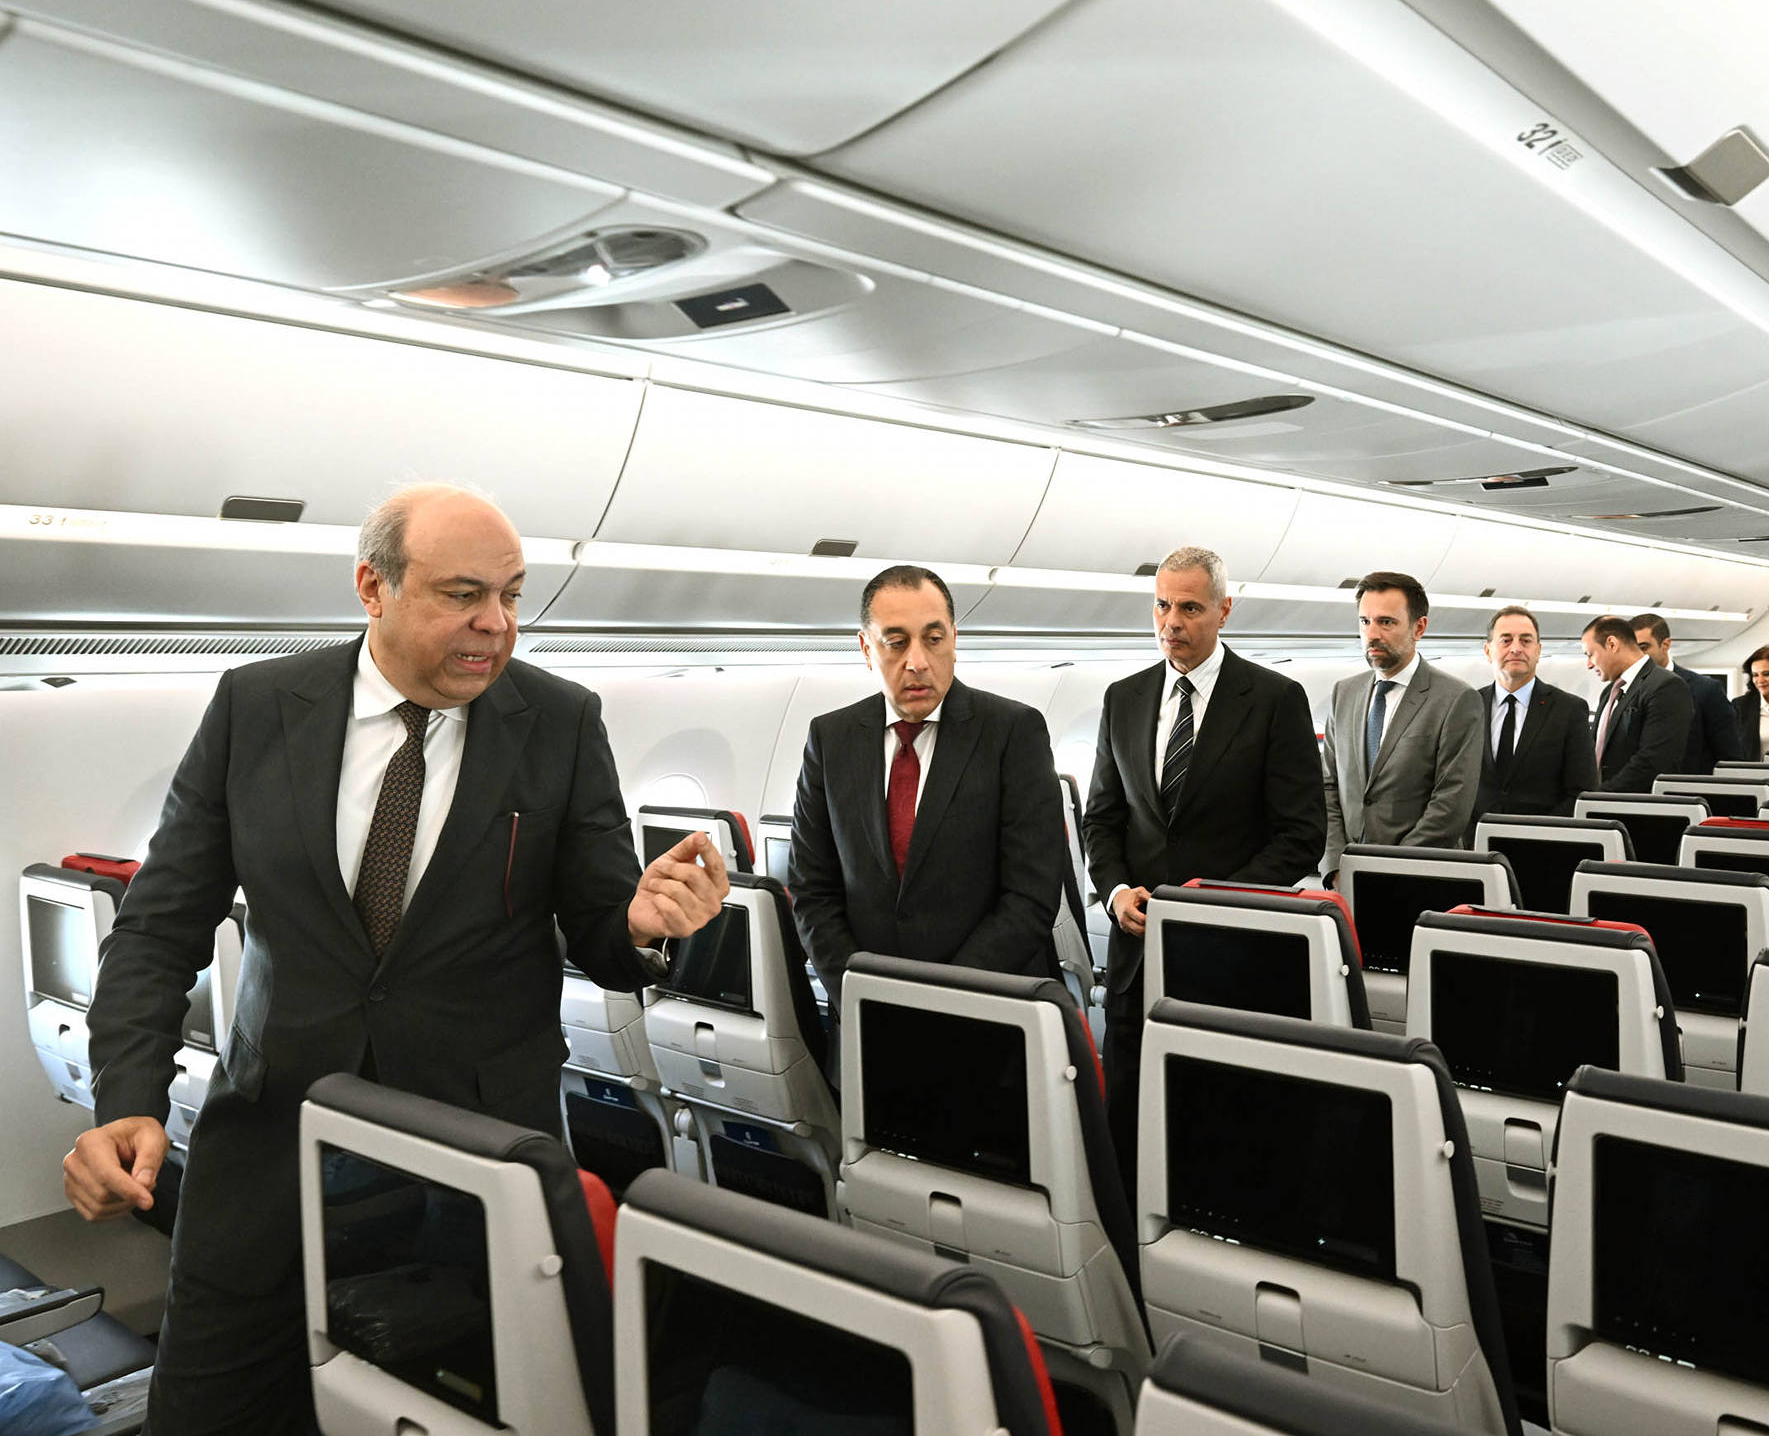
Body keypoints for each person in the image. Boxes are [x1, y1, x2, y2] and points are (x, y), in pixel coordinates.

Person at [66, 484, 729, 1436]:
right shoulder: (258, 707)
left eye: (511, 594)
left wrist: (640, 923)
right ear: (373, 587)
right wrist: (126, 1097)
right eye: (464, 594)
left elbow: (600, 925)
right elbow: (158, 927)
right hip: (272, 1151)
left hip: (467, 1168)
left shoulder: (560, 721)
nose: (496, 623)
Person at [1082, 546, 1323, 1191]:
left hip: (1230, 955)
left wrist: (1210, 902)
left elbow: (1301, 837)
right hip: (1136, 960)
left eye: (1189, 608)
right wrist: (1115, 891)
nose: (1172, 622)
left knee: (1221, 1135)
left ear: (1224, 609)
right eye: (1162, 606)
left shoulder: (1274, 699)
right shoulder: (1124, 697)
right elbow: (1101, 819)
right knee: (1129, 1129)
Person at [788, 564, 1066, 1010]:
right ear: (866, 648)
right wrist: (859, 995)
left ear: (954, 640)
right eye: (896, 642)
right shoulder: (831, 738)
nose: (917, 661)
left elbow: (1030, 896)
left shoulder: (1013, 732)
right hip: (870, 1014)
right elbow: (811, 888)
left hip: (987, 1009)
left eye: (933, 639)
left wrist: (942, 1002)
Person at [1321, 571, 1485, 864]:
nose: (1372, 634)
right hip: (1347, 870)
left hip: (1420, 873)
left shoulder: (1456, 699)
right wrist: (1335, 863)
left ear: (1418, 628)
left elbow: (1450, 805)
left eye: (1386, 622)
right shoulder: (1343, 694)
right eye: (1365, 621)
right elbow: (1328, 787)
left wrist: (1391, 868)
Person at [1474, 606, 1596, 820]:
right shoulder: (1468, 705)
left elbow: (1582, 791)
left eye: (1526, 641)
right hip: (1474, 836)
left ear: (1538, 651)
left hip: (1542, 836)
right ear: (1488, 651)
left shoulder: (1569, 709)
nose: (1516, 648)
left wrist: (1538, 832)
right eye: (1506, 640)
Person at [1581, 615, 1694, 792]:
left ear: (1612, 644)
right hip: (1601, 802)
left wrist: (1600, 795)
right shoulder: (1609, 692)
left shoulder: (1665, 686)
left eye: (1590, 654)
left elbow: (1653, 761)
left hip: (1636, 804)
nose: (1588, 664)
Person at [1631, 612, 1742, 773]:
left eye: (1643, 648)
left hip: (1690, 786)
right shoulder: (1626, 692)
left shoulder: (1705, 690)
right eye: (1633, 650)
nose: (1638, 656)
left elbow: (1730, 756)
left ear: (1665, 645)